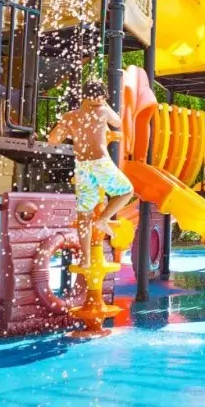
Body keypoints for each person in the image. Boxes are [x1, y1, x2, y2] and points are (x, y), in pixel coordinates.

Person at [48, 79, 133, 267]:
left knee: (84, 214)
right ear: (100, 97)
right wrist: (106, 105)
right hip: (99, 163)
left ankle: (85, 259)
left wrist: (65, 128)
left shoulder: (71, 116)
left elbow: (53, 139)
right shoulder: (102, 111)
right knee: (127, 191)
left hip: (82, 166)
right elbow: (117, 122)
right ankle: (103, 220)